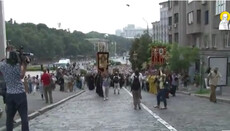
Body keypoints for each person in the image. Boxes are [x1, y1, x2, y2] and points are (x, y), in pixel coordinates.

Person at [0, 46, 29, 131]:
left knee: (9, 119)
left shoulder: (3, 66)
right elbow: (22, 76)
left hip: (10, 94)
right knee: (24, 118)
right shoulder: (17, 65)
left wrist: (6, 58)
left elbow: (3, 62)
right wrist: (25, 64)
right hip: (20, 94)